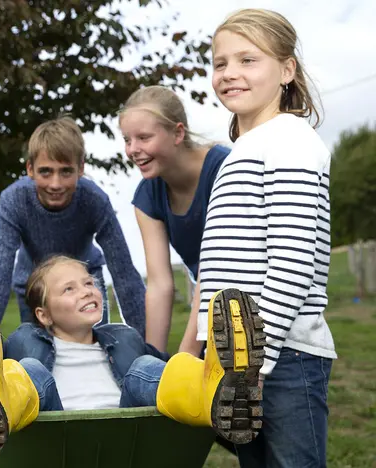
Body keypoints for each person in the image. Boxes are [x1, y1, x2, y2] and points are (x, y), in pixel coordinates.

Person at [0, 256, 266, 461]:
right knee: (28, 371)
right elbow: (4, 375)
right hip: (55, 443)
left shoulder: (124, 337)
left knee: (146, 368)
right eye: (69, 289)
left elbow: (164, 379)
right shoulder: (23, 341)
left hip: (129, 440)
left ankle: (219, 390)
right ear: (43, 314)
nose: (86, 291)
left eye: (89, 283)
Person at [200, 8, 337, 467]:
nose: (230, 74)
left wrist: (254, 361)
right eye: (220, 63)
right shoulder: (243, 150)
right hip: (240, 362)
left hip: (280, 357)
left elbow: (293, 261)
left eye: (247, 60)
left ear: (286, 69)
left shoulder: (291, 140)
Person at [0, 116, 146, 336]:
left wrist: (143, 342)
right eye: (46, 171)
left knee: (96, 353)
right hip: (34, 286)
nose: (55, 184)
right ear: (30, 169)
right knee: (40, 358)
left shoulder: (94, 200)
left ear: (80, 168)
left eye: (65, 171)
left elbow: (125, 274)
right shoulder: (14, 200)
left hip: (86, 282)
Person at [119, 85, 230, 354]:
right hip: (210, 311)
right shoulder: (147, 196)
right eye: (127, 139)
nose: (133, 149)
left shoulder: (224, 171)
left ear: (178, 133)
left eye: (144, 138)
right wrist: (153, 362)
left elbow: (213, 272)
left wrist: (186, 356)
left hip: (249, 307)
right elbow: (159, 285)